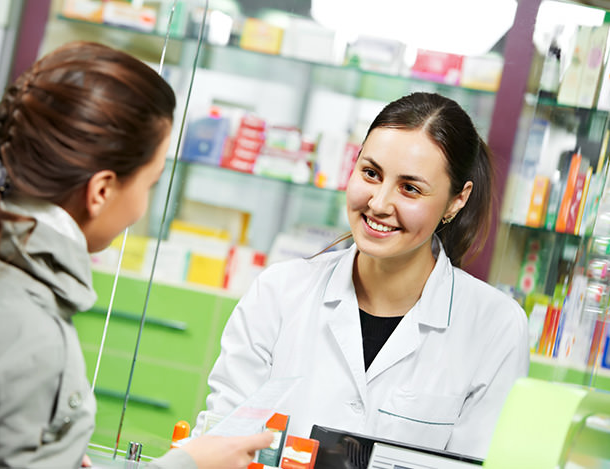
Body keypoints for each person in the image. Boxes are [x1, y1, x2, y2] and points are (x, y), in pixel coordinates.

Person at [0, 41, 272, 469]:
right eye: (150, 183)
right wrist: (188, 464)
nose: (141, 208)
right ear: (101, 191)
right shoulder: (33, 339)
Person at [193, 92, 529, 460]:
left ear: (456, 200)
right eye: (371, 173)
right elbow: (220, 446)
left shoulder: (495, 327)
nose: (379, 203)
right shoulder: (279, 292)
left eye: (410, 188)